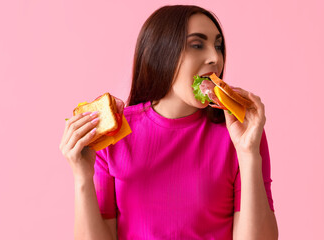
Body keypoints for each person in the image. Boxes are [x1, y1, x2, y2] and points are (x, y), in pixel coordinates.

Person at [60, 5, 278, 240]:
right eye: (197, 45)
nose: (215, 58)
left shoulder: (240, 133)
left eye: (218, 46)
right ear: (162, 53)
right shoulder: (113, 136)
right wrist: (82, 176)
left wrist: (248, 154)